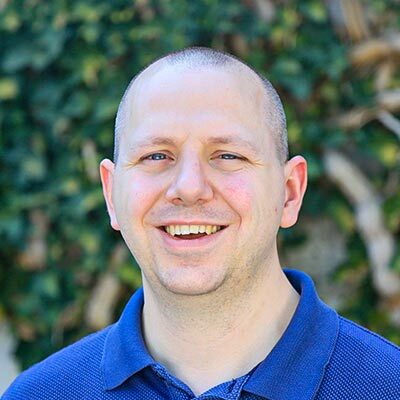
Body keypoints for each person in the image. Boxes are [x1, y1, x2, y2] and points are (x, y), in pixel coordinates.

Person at [3, 47, 400, 400]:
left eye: (227, 155)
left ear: (290, 192)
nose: (189, 188)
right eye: (157, 156)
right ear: (112, 194)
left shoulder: (387, 386)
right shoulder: (41, 394)